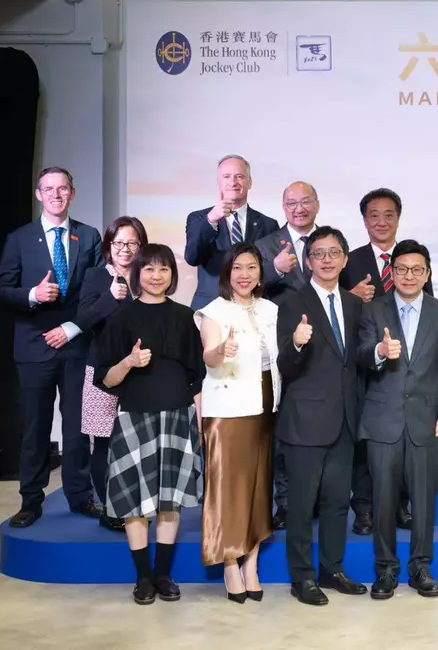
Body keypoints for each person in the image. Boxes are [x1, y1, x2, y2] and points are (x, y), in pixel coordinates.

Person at [92, 244, 204, 605]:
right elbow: (105, 379)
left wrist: (199, 423)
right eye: (149, 269)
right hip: (134, 417)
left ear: (173, 274)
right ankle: (142, 577)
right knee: (133, 502)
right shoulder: (121, 318)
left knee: (170, 502)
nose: (157, 276)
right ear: (137, 273)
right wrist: (129, 361)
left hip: (178, 417)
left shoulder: (185, 317)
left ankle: (163, 575)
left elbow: (197, 377)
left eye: (164, 269)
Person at [0, 167, 103, 528]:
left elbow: (96, 293)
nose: (56, 194)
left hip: (75, 345)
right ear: (38, 194)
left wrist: (73, 329)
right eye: (49, 189)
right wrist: (32, 295)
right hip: (34, 346)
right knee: (35, 427)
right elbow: (1, 290)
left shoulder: (89, 236)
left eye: (63, 188)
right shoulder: (19, 239)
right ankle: (30, 500)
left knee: (77, 429)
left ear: (72, 192)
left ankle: (80, 495)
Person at [357, 239, 438, 599]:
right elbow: (361, 355)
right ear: (392, 272)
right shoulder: (373, 310)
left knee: (424, 499)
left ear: (427, 274)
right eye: (401, 269)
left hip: (426, 420)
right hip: (382, 419)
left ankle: (421, 567)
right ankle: (385, 570)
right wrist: (380, 351)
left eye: (417, 269)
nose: (409, 276)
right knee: (383, 500)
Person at [275, 226, 368, 605]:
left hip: (345, 420)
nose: (327, 260)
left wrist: (379, 353)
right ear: (308, 261)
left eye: (334, 253)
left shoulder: (354, 304)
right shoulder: (291, 303)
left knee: (337, 502)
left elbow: (356, 361)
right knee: (301, 505)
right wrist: (296, 345)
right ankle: (302, 577)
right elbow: (284, 365)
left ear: (345, 259)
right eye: (319, 253)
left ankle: (332, 570)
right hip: (305, 422)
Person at [195, 243, 280, 604]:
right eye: (237, 268)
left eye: (251, 267)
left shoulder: (271, 309)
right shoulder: (213, 311)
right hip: (227, 410)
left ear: (260, 272)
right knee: (228, 488)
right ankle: (230, 563)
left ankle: (252, 564)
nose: (244, 275)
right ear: (226, 273)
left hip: (265, 405)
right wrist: (221, 352)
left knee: (259, 486)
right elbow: (209, 356)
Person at [339, 188, 426, 534]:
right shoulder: (349, 261)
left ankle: (400, 505)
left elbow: (428, 313)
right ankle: (363, 508)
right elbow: (329, 309)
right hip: (363, 365)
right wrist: (351, 297)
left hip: (405, 370)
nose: (381, 221)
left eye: (388, 214)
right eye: (373, 215)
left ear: (398, 219)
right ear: (364, 221)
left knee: (403, 436)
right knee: (365, 437)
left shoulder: (412, 259)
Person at [255, 180, 322, 529]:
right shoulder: (265, 245)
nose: (299, 208)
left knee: (319, 425)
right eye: (292, 203)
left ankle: (317, 499)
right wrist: (276, 268)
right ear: (283, 208)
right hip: (280, 346)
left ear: (317, 204)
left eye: (305, 201)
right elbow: (248, 285)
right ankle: (284, 503)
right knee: (283, 427)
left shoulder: (328, 242)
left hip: (323, 348)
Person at [76, 216, 148, 532]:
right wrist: (109, 298)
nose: (125, 249)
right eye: (119, 242)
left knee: (138, 440)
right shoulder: (96, 276)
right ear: (109, 245)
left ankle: (135, 504)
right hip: (103, 371)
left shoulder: (147, 275)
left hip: (142, 370)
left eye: (132, 242)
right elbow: (83, 320)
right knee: (104, 441)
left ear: (141, 246)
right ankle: (109, 507)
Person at [184, 155, 279, 311]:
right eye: (226, 176)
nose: (233, 182)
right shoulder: (199, 218)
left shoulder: (268, 224)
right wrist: (211, 220)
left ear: (250, 182)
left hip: (253, 309)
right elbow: (192, 257)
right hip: (211, 308)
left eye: (239, 176)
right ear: (218, 182)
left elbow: (267, 272)